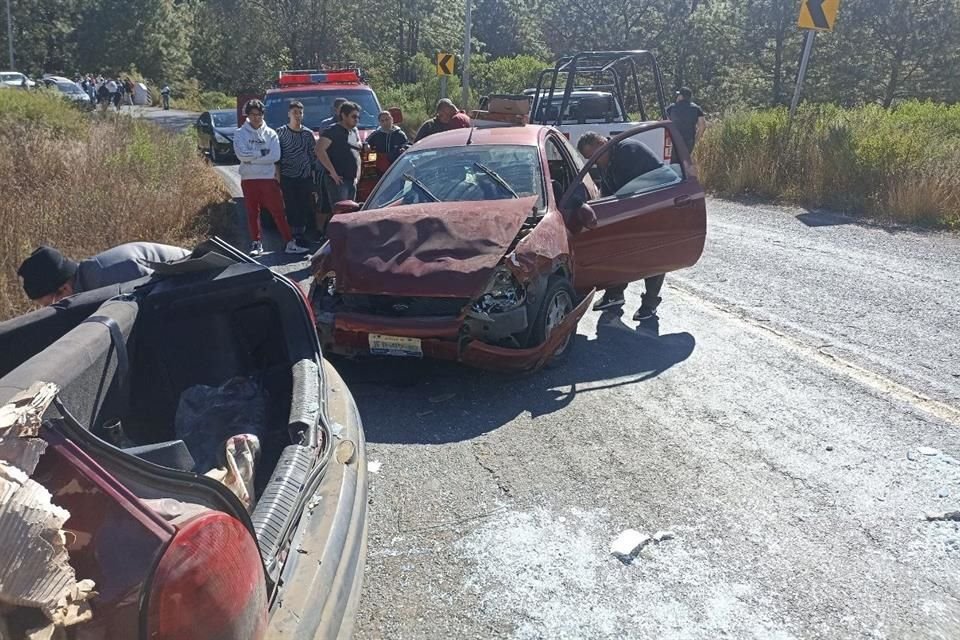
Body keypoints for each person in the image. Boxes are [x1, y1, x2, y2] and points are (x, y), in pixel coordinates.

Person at [576, 131, 667, 321]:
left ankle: (650, 304)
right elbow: (609, 191)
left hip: (655, 209)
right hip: (631, 211)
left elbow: (631, 189)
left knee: (653, 257)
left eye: (593, 156)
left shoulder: (628, 151)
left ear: (602, 143)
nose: (593, 162)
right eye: (588, 158)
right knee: (618, 251)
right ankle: (615, 294)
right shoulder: (606, 159)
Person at [233, 99, 307, 256]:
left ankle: (289, 243)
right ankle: (256, 244)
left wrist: (251, 157)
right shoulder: (240, 133)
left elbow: (275, 156)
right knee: (253, 212)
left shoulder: (271, 133)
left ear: (262, 115)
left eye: (259, 114)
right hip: (248, 179)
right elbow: (241, 155)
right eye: (253, 114)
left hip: (268, 179)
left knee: (278, 212)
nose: (256, 118)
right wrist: (261, 153)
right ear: (248, 115)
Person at [17, 243, 190, 307]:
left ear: (64, 288)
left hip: (200, 280)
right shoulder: (88, 279)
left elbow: (156, 304)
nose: (52, 309)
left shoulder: (108, 277)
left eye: (49, 304)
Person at [276, 100, 318, 246]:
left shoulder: (308, 134)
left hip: (304, 176)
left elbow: (313, 157)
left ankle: (301, 234)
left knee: (304, 206)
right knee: (291, 206)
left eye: (300, 113)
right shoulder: (280, 132)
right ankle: (292, 235)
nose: (298, 115)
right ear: (289, 114)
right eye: (295, 112)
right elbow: (277, 156)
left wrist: (312, 177)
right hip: (288, 176)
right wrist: (278, 177)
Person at [315, 101, 363, 205]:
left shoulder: (353, 132)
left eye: (358, 117)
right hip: (339, 181)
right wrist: (333, 173)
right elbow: (319, 149)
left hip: (352, 181)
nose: (356, 120)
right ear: (343, 115)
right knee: (340, 213)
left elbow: (356, 154)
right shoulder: (332, 130)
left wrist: (357, 176)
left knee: (350, 213)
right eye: (353, 116)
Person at [665, 87, 706, 157]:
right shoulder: (697, 109)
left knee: (673, 163)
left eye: (678, 95)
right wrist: (695, 140)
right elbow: (702, 126)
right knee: (685, 162)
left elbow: (664, 123)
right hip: (689, 141)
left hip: (674, 140)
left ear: (681, 96)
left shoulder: (671, 108)